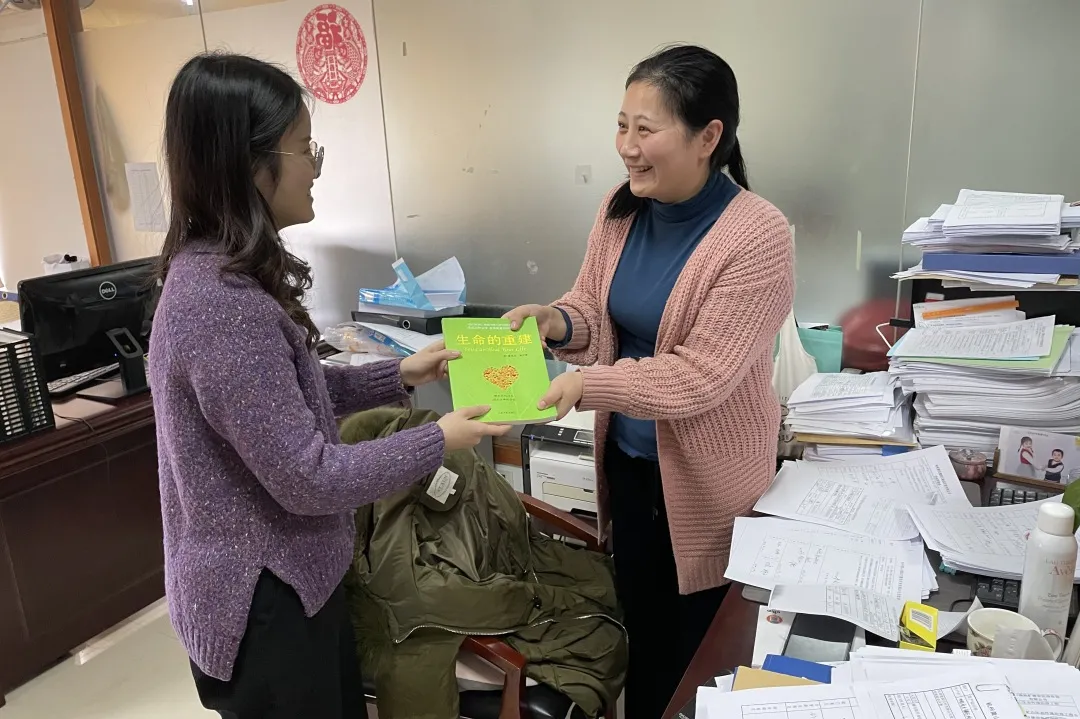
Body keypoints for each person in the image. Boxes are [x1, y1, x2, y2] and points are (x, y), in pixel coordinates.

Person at [149, 53, 508, 719]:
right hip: (263, 603)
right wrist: (438, 439)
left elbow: (283, 399)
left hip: (291, 582)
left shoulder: (220, 274)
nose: (315, 167)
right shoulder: (220, 305)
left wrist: (398, 373)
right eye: (303, 147)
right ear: (249, 164)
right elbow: (309, 477)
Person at [506, 45, 794, 718]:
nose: (627, 148)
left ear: (708, 137)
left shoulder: (758, 236)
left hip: (709, 488)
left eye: (645, 129)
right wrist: (554, 320)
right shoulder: (621, 209)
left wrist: (588, 387)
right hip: (631, 472)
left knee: (698, 664)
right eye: (621, 125)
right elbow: (592, 307)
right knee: (644, 642)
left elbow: (701, 375)